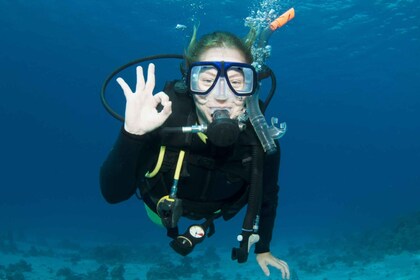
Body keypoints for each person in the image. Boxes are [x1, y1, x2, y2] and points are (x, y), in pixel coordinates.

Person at [100, 30, 290, 279]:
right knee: (156, 219)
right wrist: (132, 133)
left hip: (215, 214)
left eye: (237, 80)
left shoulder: (261, 139)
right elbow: (113, 195)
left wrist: (263, 248)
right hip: (159, 209)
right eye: (206, 79)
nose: (221, 95)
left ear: (251, 89)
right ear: (189, 82)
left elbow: (267, 196)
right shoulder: (162, 122)